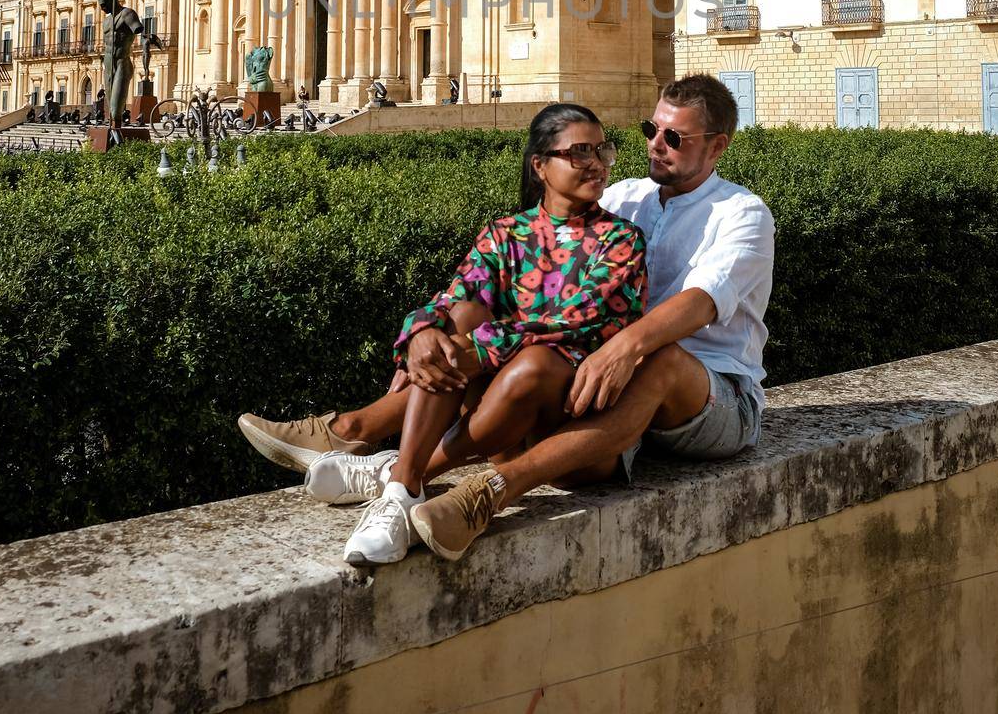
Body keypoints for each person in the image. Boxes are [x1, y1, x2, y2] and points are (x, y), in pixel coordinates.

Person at [238, 103, 646, 566]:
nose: (596, 162)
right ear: (540, 165)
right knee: (459, 317)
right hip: (501, 417)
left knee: (529, 362)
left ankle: (393, 471)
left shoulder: (621, 240)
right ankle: (401, 487)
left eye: (602, 150)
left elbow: (577, 319)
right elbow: (458, 291)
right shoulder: (505, 234)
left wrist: (482, 351)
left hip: (570, 425)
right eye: (579, 151)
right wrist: (419, 335)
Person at [407, 73, 775, 561]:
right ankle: (391, 463)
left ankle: (492, 490)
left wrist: (624, 348)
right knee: (482, 338)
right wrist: (427, 331)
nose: (655, 145)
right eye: (650, 129)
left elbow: (702, 301)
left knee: (661, 358)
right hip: (621, 398)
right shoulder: (623, 197)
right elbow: (530, 260)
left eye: (674, 138)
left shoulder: (742, 213)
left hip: (717, 397)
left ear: (717, 146)